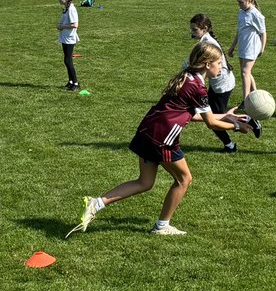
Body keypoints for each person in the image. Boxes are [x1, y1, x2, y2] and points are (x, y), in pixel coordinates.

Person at [66, 41, 261, 238]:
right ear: (207, 64)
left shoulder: (187, 77)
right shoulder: (199, 89)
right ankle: (162, 226)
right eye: (219, 63)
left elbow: (190, 114)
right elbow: (210, 122)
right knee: (184, 179)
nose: (222, 67)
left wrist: (227, 116)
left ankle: (96, 203)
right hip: (163, 138)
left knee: (145, 182)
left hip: (148, 130)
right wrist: (237, 126)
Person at [189, 13, 238, 153]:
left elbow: (199, 64)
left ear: (204, 29)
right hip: (221, 84)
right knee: (213, 117)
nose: (192, 33)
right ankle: (230, 144)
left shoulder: (207, 44)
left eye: (195, 30)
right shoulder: (205, 41)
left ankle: (244, 123)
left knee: (212, 120)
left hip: (222, 86)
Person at [227, 0, 266, 104]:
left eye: (241, 2)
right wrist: (232, 46)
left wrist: (262, 48)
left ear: (249, 1)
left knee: (245, 72)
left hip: (252, 47)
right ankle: (255, 95)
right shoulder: (241, 12)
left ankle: (246, 101)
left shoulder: (256, 15)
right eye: (238, 2)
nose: (239, 4)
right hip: (243, 46)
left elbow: (263, 32)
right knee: (246, 72)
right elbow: (239, 31)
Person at [57, 0, 80, 91]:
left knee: (68, 60)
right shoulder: (66, 8)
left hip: (69, 38)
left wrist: (62, 26)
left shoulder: (71, 9)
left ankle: (75, 83)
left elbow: (75, 25)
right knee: (67, 60)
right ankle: (70, 82)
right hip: (65, 37)